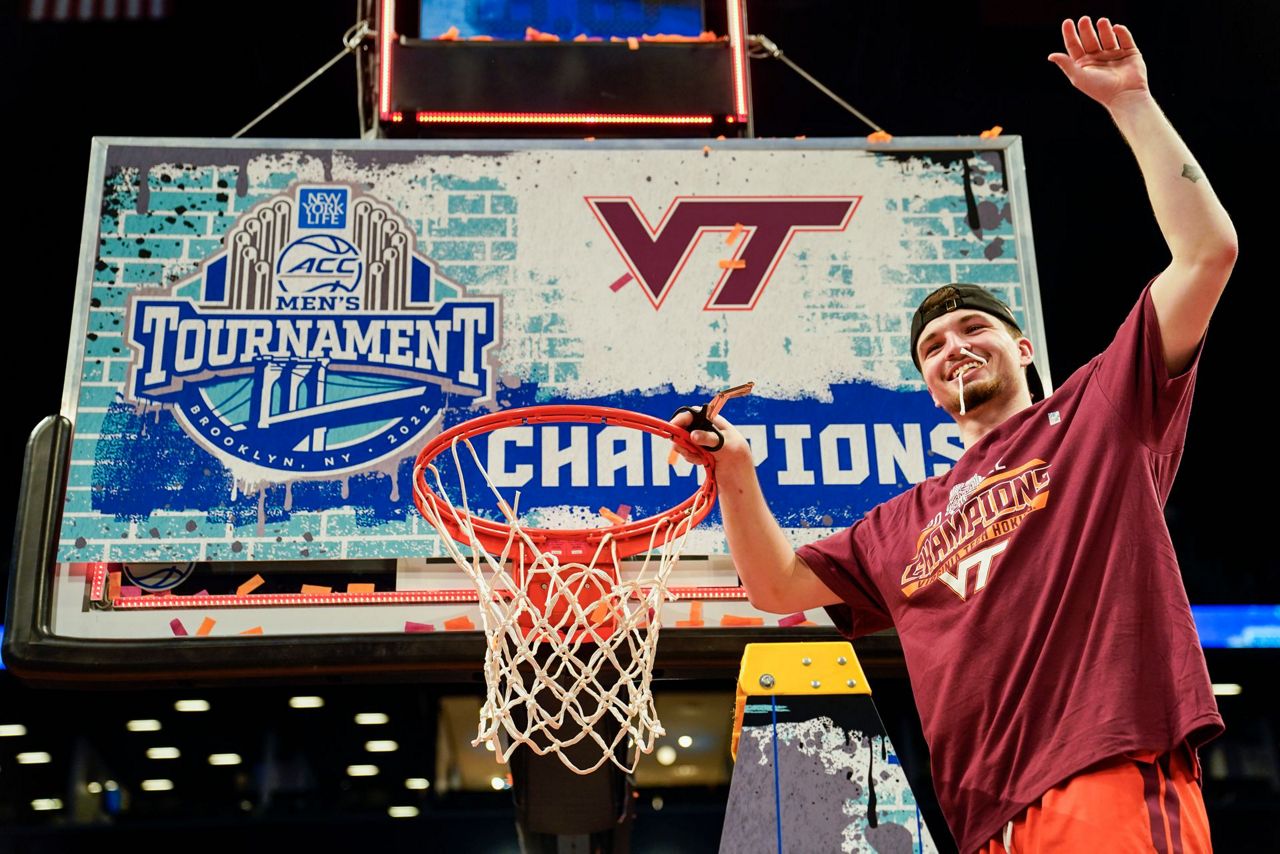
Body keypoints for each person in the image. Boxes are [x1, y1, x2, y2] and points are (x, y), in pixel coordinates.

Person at [673, 16, 1237, 853]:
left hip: (1105, 766)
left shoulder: (1098, 411)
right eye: (933, 346)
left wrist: (1132, 104)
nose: (953, 348)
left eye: (973, 328)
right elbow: (777, 586)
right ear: (929, 387)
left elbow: (1207, 254)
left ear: (1022, 348)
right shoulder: (902, 521)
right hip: (984, 818)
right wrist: (737, 470)